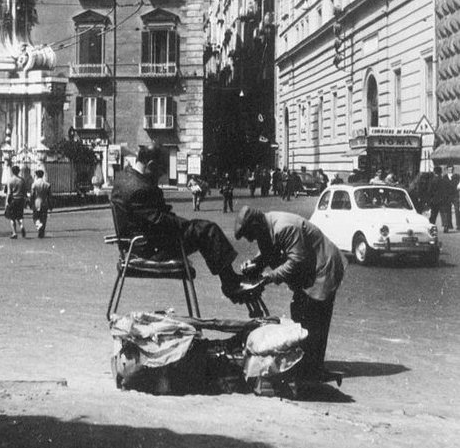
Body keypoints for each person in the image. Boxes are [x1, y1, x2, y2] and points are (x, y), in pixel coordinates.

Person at [110, 144, 255, 304]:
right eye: (160, 171)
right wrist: (188, 226)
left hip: (137, 245)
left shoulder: (124, 178)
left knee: (200, 228)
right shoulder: (139, 188)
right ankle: (231, 283)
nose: (161, 175)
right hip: (149, 250)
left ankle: (230, 281)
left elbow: (156, 218)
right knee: (207, 230)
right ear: (150, 165)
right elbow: (160, 221)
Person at [234, 205, 346, 379]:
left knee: (314, 316)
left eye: (251, 235)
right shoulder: (266, 225)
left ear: (256, 225)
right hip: (309, 269)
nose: (251, 240)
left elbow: (296, 262)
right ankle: (305, 362)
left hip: (323, 267)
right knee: (300, 313)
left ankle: (313, 368)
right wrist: (254, 264)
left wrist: (268, 277)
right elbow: (267, 252)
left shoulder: (284, 227)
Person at [5, 165, 27, 239]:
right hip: (21, 199)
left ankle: (14, 233)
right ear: (18, 171)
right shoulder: (22, 180)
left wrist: (7, 202)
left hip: (13, 199)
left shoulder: (10, 180)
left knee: (12, 218)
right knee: (20, 216)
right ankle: (21, 226)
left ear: (12, 171)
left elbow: (9, 193)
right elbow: (25, 191)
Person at [29, 169, 52, 238]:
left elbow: (32, 195)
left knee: (35, 217)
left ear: (36, 175)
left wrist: (30, 202)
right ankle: (42, 232)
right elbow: (49, 195)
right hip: (45, 201)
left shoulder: (34, 184)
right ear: (42, 175)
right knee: (44, 217)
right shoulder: (47, 184)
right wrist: (50, 204)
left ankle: (39, 226)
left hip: (37, 201)